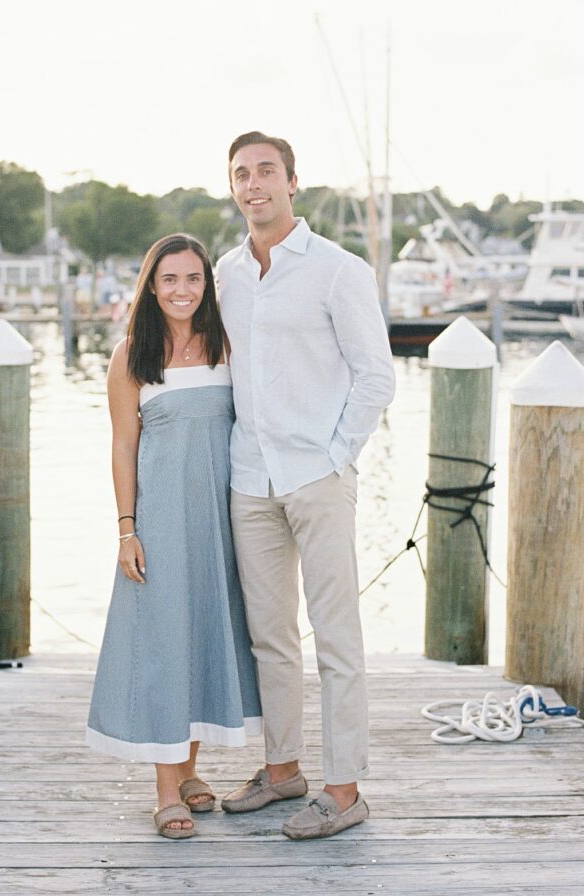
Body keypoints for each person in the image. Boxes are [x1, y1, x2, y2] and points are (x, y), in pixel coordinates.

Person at [216, 131, 396, 840]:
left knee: (336, 639)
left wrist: (335, 455)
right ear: (231, 187)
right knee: (269, 637)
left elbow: (375, 375)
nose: (253, 184)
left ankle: (345, 790)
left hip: (315, 477)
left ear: (293, 182)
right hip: (248, 477)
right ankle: (283, 769)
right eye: (241, 174)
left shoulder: (336, 270)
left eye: (266, 172)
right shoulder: (225, 273)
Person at [86, 233, 262, 840]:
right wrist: (126, 528)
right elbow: (123, 443)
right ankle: (167, 790)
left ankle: (189, 770)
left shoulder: (227, 345)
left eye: (193, 279)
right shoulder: (132, 353)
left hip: (224, 515)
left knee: (207, 634)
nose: (182, 290)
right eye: (169, 280)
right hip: (160, 518)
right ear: (151, 287)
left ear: (207, 285)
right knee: (165, 642)